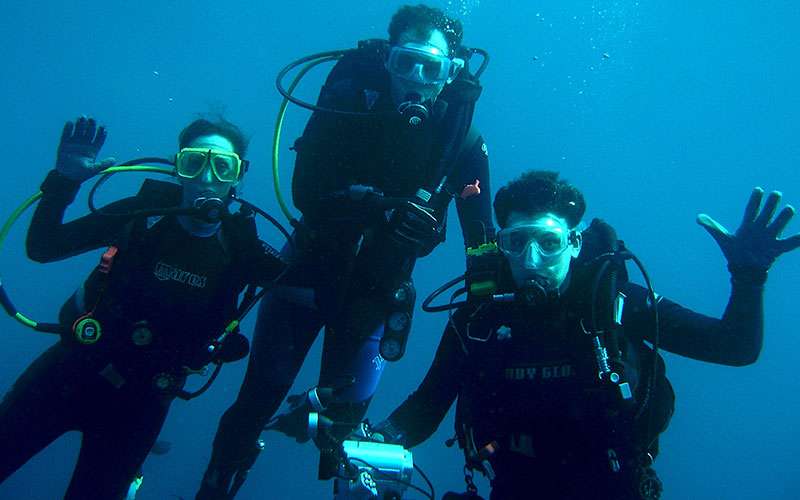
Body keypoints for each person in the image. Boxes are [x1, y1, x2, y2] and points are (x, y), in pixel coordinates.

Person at [197, 4, 494, 498]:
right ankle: (214, 487)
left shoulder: (464, 136)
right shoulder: (349, 99)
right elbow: (303, 192)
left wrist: (490, 301)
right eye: (405, 63)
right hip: (305, 274)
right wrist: (380, 208)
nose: (416, 79)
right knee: (258, 398)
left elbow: (480, 236)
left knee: (346, 429)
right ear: (387, 61)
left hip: (375, 295)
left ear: (452, 72)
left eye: (431, 67)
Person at [371, 170, 800, 500]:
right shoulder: (477, 318)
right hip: (515, 486)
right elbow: (427, 406)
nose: (532, 258)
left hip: (615, 485)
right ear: (500, 245)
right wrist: (370, 442)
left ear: (575, 243)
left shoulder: (613, 303)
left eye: (549, 242)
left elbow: (735, 347)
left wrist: (748, 277)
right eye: (516, 242)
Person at [0, 115, 285, 499]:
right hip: (68, 374)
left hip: (139, 408)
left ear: (239, 175)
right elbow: (44, 246)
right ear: (178, 168)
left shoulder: (242, 249)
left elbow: (315, 286)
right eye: (194, 162)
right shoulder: (139, 214)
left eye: (222, 166)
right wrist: (63, 180)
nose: (206, 177)